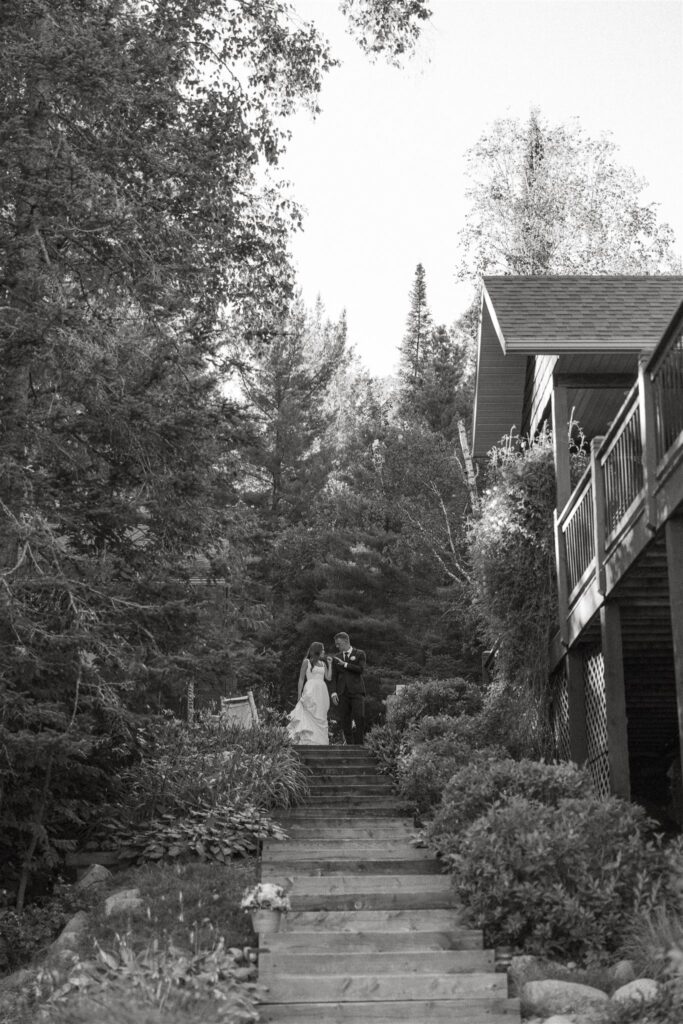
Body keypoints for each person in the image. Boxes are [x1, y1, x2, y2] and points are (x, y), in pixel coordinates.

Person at [286, 642, 331, 745]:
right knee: (310, 713)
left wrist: (330, 664)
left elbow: (328, 677)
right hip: (310, 690)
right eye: (322, 650)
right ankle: (309, 741)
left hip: (322, 692)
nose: (324, 652)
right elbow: (301, 679)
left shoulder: (323, 663)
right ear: (317, 651)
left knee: (321, 715)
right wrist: (299, 695)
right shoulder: (307, 662)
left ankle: (321, 742)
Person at [329, 631, 366, 745]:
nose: (337, 646)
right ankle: (349, 745)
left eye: (339, 643)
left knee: (359, 717)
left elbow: (360, 669)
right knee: (345, 719)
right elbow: (334, 677)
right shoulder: (337, 657)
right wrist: (333, 693)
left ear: (346, 641)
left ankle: (360, 745)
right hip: (342, 693)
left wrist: (345, 664)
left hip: (356, 692)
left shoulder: (359, 653)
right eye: (336, 644)